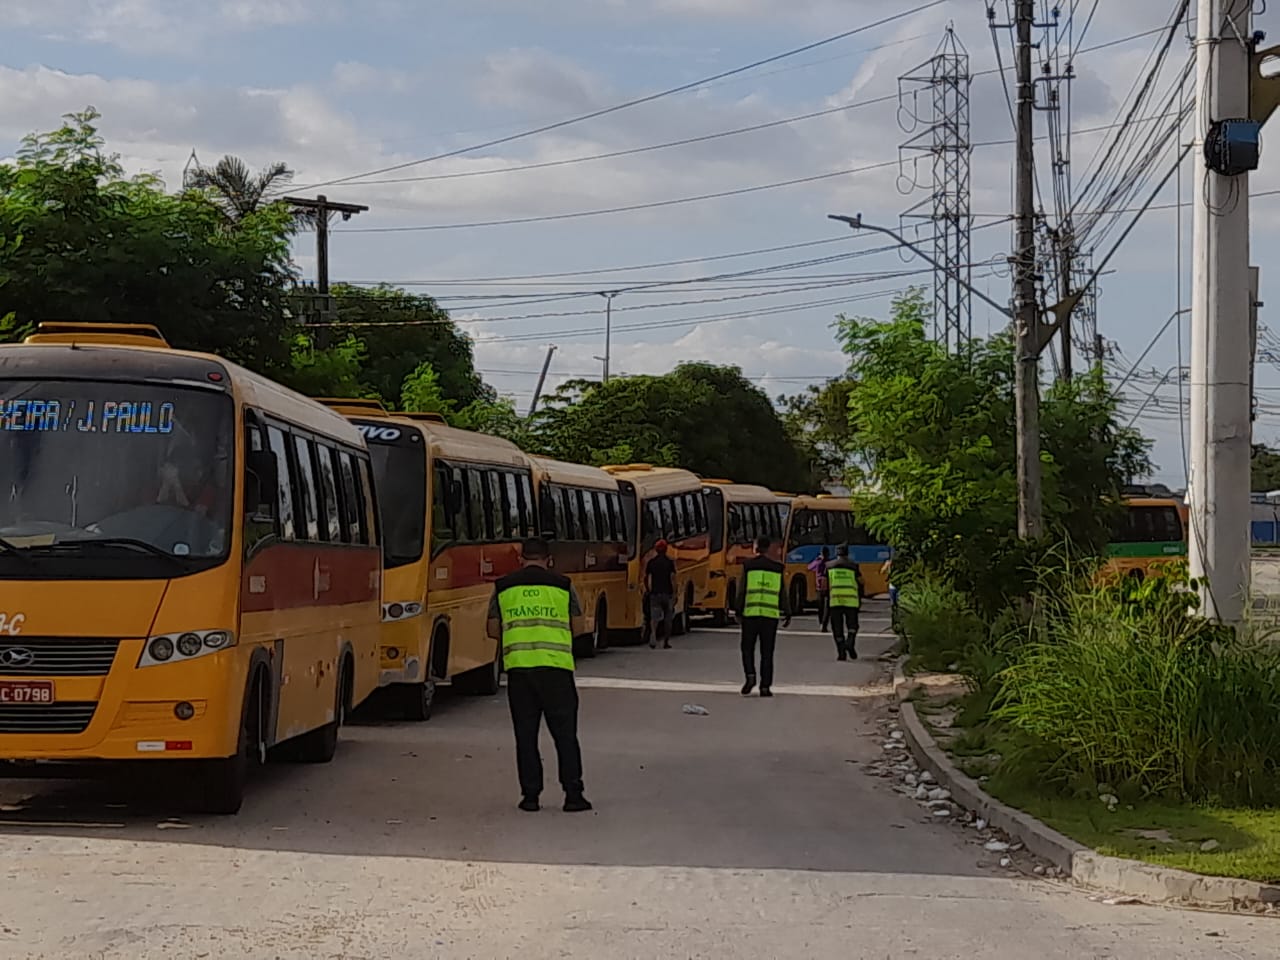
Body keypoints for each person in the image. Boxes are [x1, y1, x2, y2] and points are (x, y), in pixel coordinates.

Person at [487, 537, 592, 813]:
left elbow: (493, 629)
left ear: (521, 559)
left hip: (520, 671)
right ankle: (573, 795)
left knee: (526, 736)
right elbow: (578, 626)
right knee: (565, 736)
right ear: (549, 560)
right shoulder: (563, 585)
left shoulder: (503, 587)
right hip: (557, 670)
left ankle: (530, 797)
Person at [734, 536, 790, 697]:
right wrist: (787, 612)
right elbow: (782, 592)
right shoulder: (777, 568)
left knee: (747, 648)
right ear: (768, 548)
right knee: (767, 652)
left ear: (755, 548)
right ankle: (765, 686)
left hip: (750, 615)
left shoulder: (748, 566)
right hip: (770, 616)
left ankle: (750, 676)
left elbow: (742, 590)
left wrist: (738, 610)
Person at [827, 544, 865, 661]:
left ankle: (841, 653)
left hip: (835, 601)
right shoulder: (853, 566)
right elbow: (861, 581)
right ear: (847, 554)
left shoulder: (829, 566)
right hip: (851, 601)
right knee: (852, 626)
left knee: (837, 628)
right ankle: (850, 643)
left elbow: (823, 584)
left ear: (836, 554)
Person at [645, 539, 677, 649]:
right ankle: (666, 642)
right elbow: (673, 578)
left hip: (655, 594)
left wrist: (649, 590)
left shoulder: (651, 563)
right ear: (666, 549)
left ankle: (653, 634)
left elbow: (647, 578)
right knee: (668, 618)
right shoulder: (670, 562)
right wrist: (675, 593)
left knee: (654, 618)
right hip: (667, 594)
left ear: (656, 550)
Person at [808, 547, 831, 630]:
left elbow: (809, 567)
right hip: (828, 586)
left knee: (820, 607)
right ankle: (824, 624)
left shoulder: (818, 562)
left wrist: (817, 559)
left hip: (819, 586)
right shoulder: (829, 563)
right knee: (827, 607)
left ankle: (821, 622)